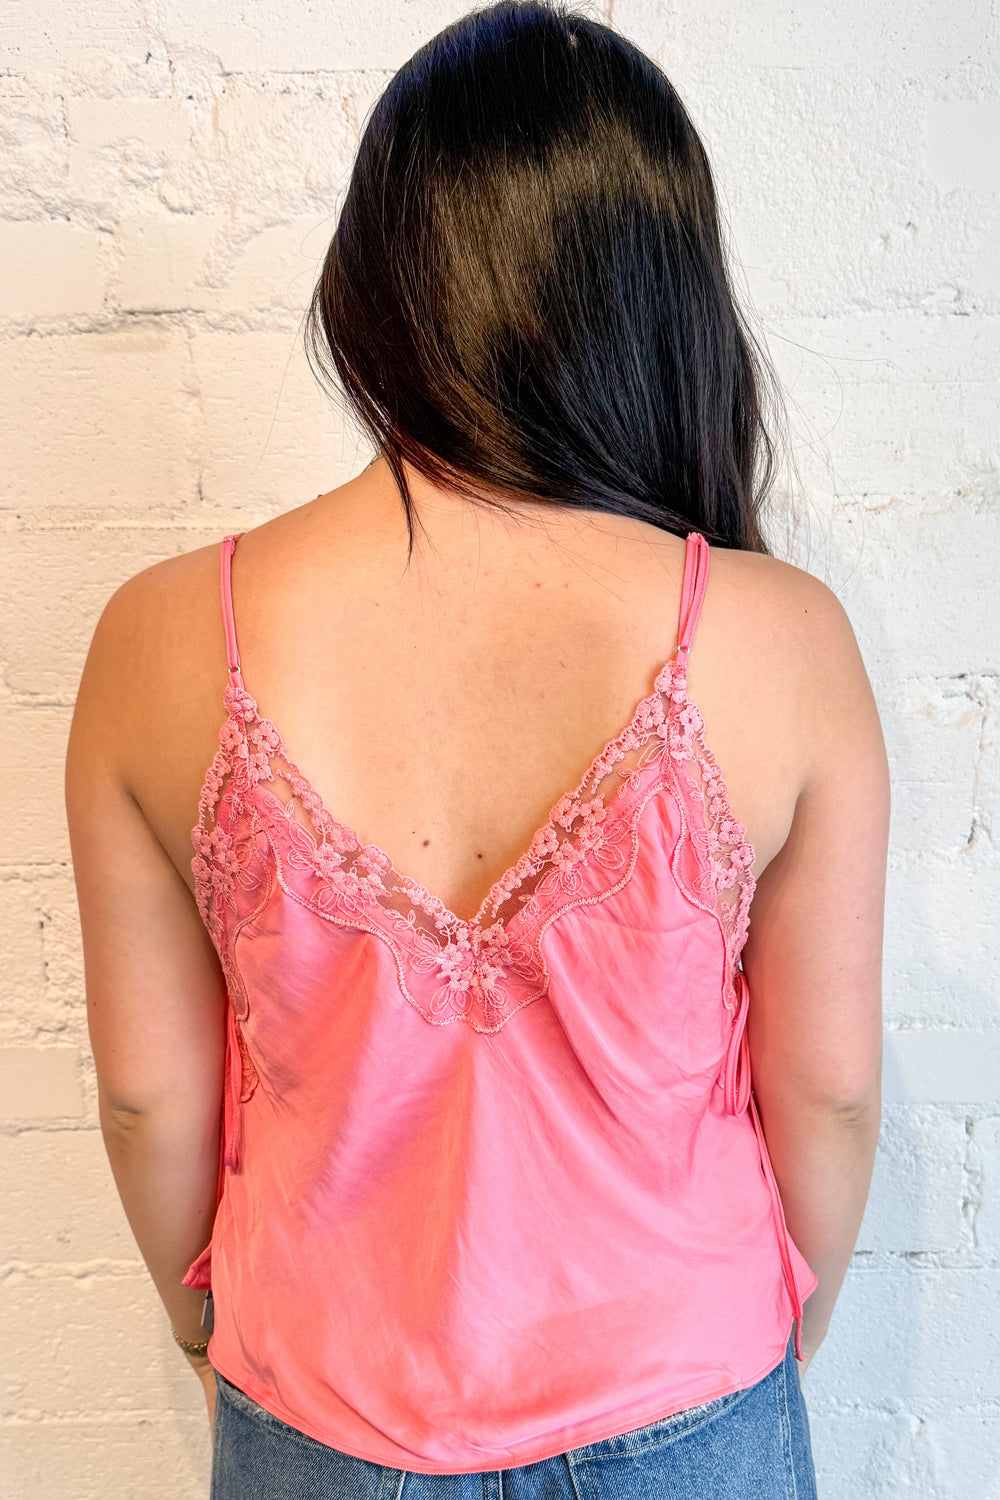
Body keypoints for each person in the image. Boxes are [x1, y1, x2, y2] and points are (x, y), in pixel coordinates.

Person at [65, 2, 889, 1495]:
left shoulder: (162, 640)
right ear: (663, 297)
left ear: (376, 277)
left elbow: (146, 1098)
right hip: (687, 1392)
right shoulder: (781, 641)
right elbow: (825, 1087)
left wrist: (205, 1336)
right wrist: (784, 1336)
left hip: (319, 1404)